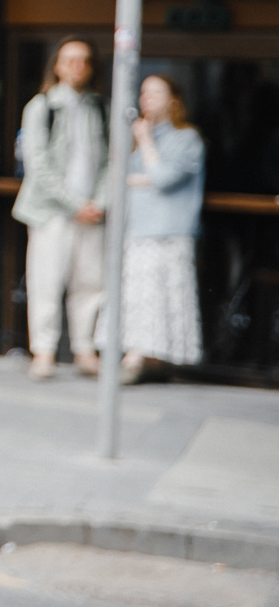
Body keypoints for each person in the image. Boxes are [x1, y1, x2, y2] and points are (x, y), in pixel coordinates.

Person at [13, 36, 110, 379]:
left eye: (84, 60)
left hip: (92, 213)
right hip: (51, 211)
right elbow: (38, 164)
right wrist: (74, 203)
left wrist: (98, 202)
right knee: (46, 281)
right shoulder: (42, 106)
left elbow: (111, 161)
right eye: (70, 60)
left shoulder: (100, 107)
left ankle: (84, 349)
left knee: (91, 282)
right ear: (56, 65)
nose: (77, 67)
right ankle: (44, 351)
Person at [118, 73, 206, 385]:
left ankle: (139, 359)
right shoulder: (137, 136)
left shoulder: (187, 139)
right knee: (139, 297)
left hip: (168, 232)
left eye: (156, 93)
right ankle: (144, 357)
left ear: (173, 100)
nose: (147, 99)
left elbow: (163, 178)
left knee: (160, 297)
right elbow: (121, 179)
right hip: (136, 229)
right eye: (144, 93)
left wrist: (145, 144)